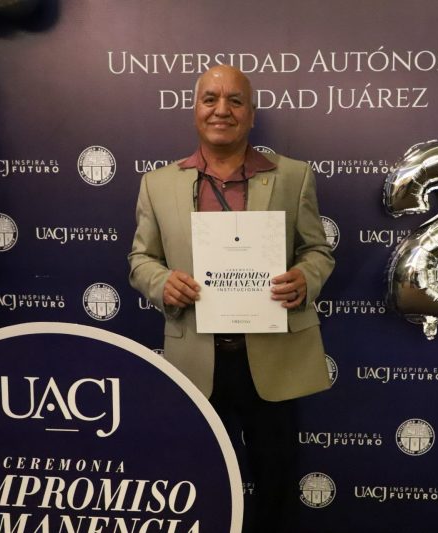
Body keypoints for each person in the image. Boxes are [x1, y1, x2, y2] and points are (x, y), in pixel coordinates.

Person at [128, 65, 334, 533]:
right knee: (200, 482)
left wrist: (305, 278)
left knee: (276, 484)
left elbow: (318, 251)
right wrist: (162, 283)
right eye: (211, 99)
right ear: (195, 110)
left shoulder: (293, 176)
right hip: (197, 361)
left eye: (235, 101)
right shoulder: (157, 184)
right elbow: (141, 259)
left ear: (251, 114)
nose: (222, 110)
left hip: (274, 358)